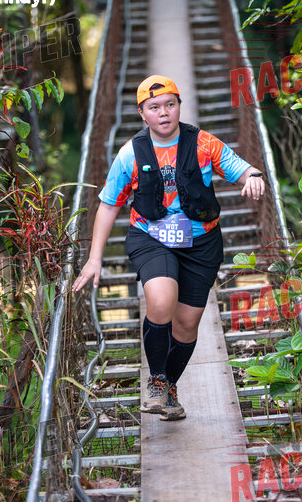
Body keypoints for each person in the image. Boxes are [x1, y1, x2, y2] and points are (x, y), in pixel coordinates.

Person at [71, 75, 265, 420]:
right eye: (154, 107)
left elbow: (241, 167)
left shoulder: (202, 143)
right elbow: (108, 205)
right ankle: (157, 380)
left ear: (179, 107)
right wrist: (94, 259)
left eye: (170, 105)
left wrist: (253, 177)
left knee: (187, 323)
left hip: (202, 242)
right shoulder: (130, 154)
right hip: (151, 238)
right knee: (161, 301)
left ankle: (170, 388)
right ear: (142, 113)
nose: (163, 113)